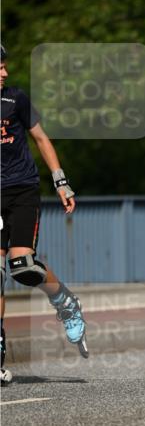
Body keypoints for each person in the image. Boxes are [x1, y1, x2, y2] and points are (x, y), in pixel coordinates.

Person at [1, 43, 87, 383]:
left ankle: (64, 301)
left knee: (22, 266)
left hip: (22, 190)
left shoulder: (16, 99)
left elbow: (41, 138)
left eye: (5, 66)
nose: (5, 72)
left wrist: (61, 182)